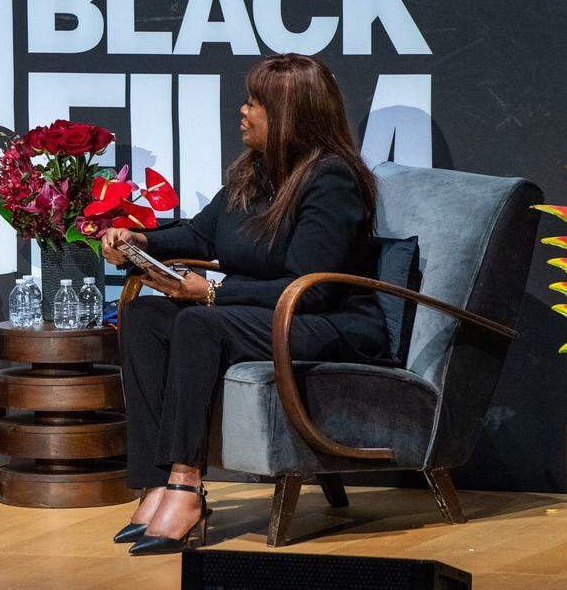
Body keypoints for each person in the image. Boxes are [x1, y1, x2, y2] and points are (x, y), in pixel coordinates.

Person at [101, 53, 391, 555]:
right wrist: (141, 242)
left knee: (200, 324)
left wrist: (213, 292)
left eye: (255, 103)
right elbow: (199, 232)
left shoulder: (332, 179)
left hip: (329, 323)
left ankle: (186, 485)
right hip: (262, 314)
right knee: (146, 315)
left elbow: (313, 287)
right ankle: (152, 483)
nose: (243, 111)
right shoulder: (253, 173)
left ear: (290, 115)